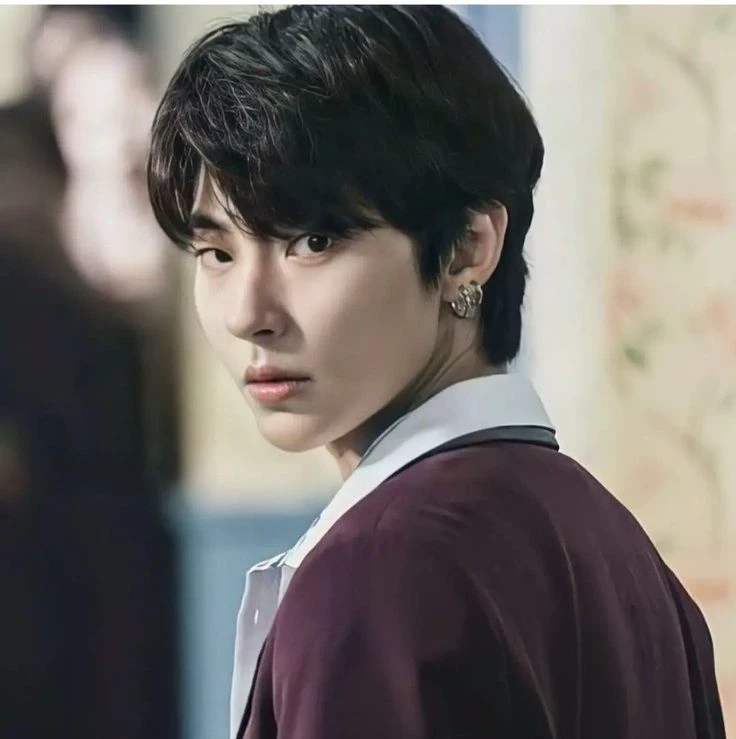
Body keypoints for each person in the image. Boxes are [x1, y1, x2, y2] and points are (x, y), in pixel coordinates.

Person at [146, 6, 725, 739]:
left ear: (465, 249)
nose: (247, 313)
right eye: (217, 253)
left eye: (312, 241)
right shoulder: (619, 552)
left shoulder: (375, 574)